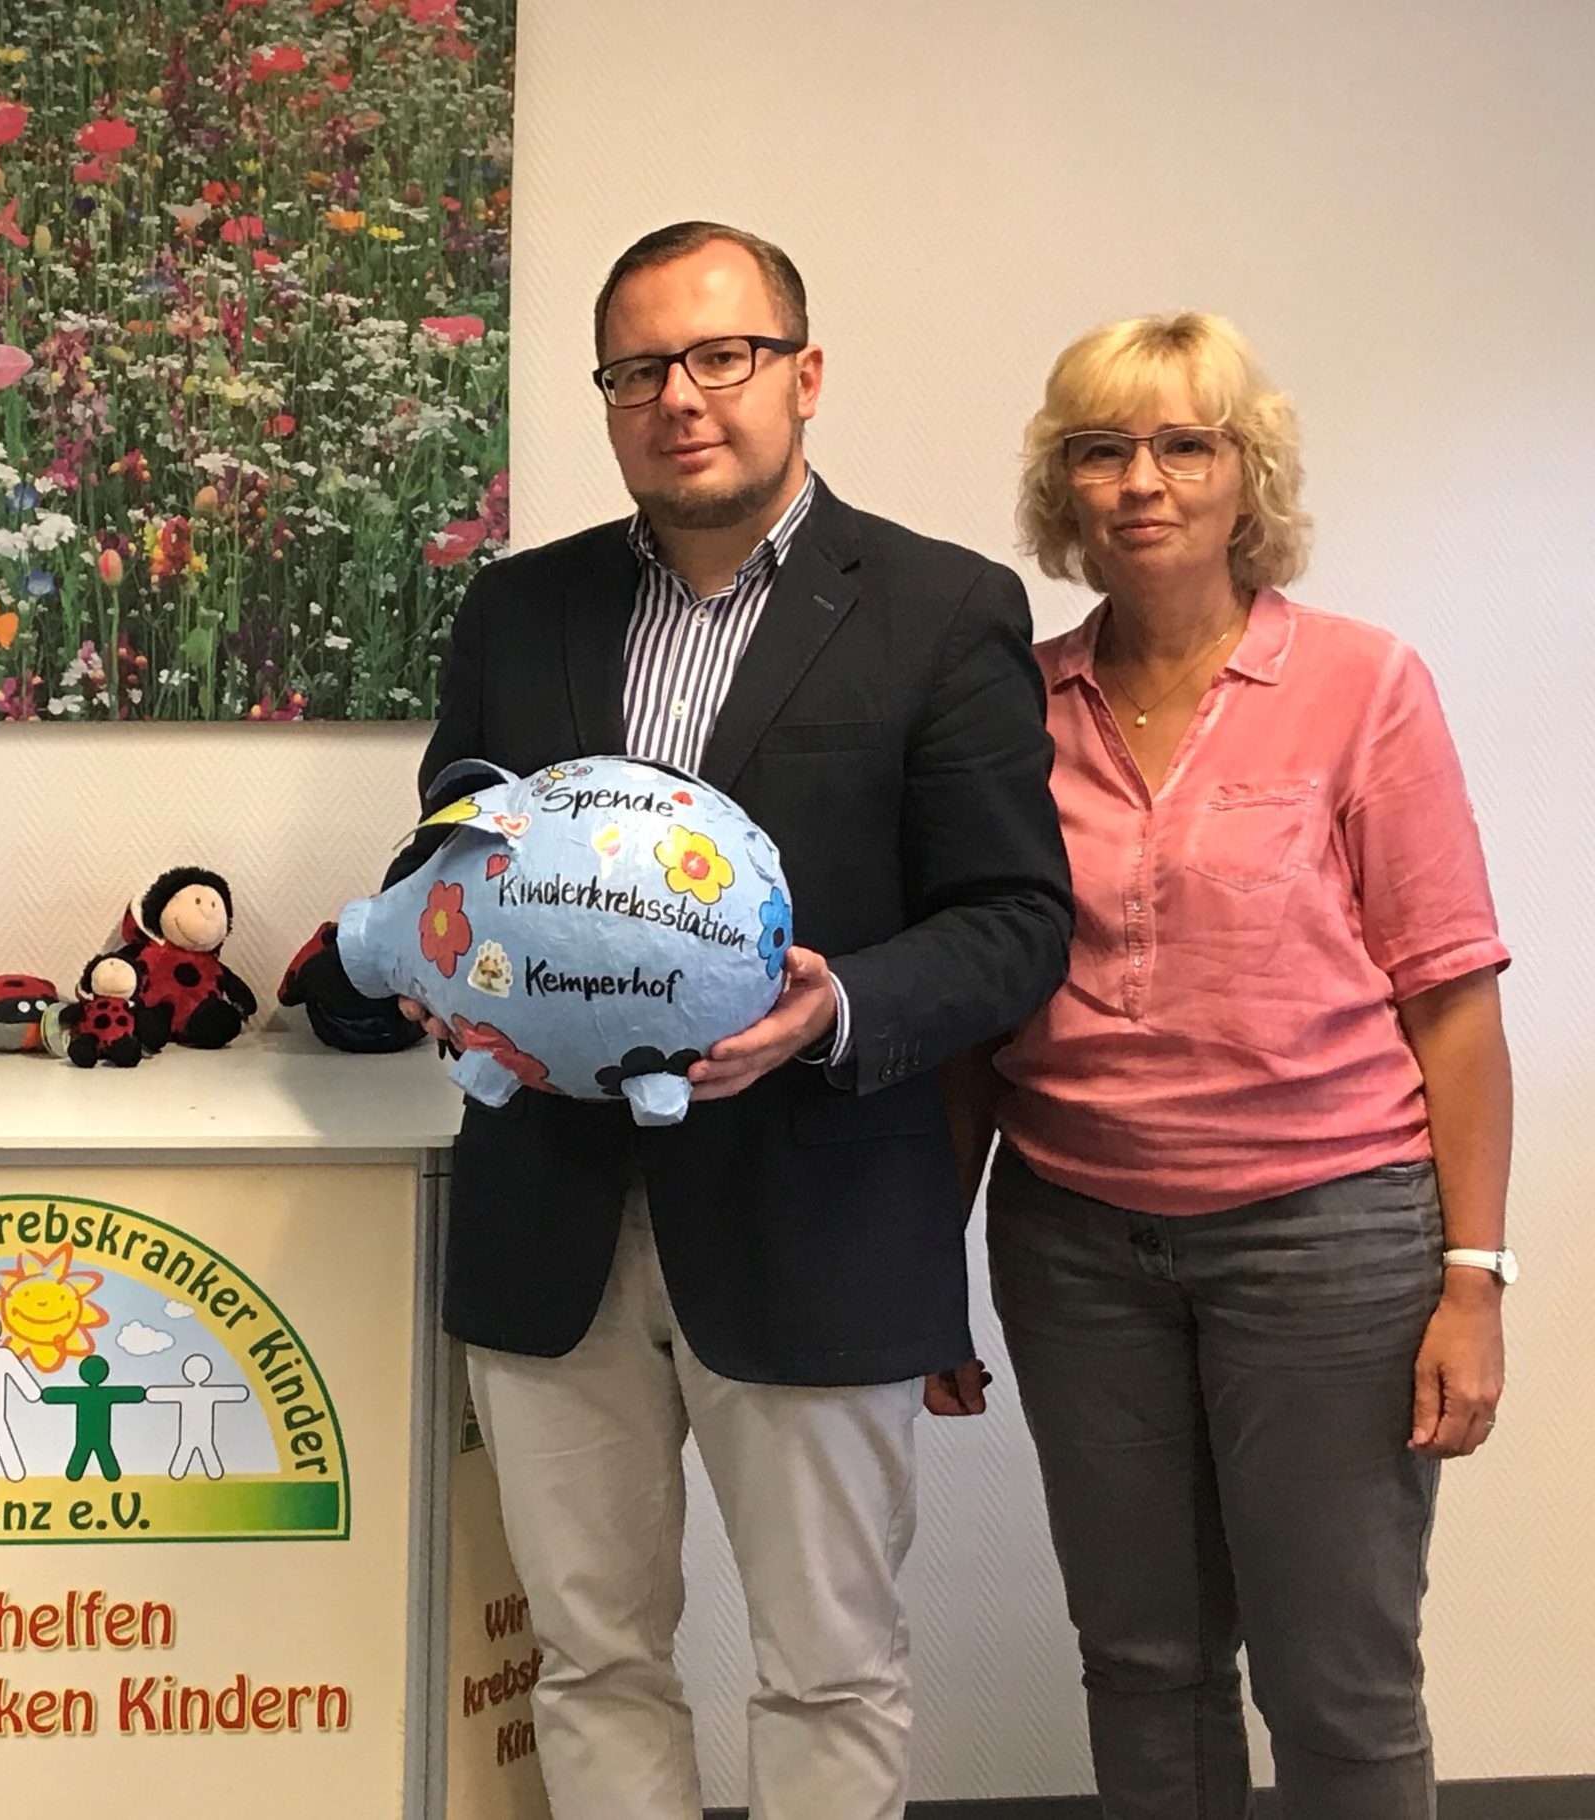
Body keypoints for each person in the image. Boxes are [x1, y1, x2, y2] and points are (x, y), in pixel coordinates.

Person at [404, 220, 1072, 1820]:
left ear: (805, 373)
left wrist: (840, 1007)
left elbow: (1016, 921)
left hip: (817, 1209)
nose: (680, 397)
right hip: (552, 1218)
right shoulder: (518, 610)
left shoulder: (941, 608)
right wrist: (446, 970)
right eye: (639, 369)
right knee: (591, 1661)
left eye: (722, 355)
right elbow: (446, 859)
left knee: (830, 1668)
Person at [948, 311, 1511, 1820]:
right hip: (1075, 1243)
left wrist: (1473, 1283)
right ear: (1063, 488)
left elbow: (1454, 1001)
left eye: (1184, 445)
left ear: (1244, 474)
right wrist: (929, 1261)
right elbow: (980, 1016)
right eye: (1102, 450)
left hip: (1328, 1244)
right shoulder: (1012, 706)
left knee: (1339, 1678)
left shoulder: (1363, 684)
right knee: (1144, 1660)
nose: (1142, 480)